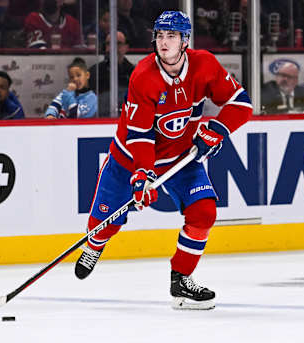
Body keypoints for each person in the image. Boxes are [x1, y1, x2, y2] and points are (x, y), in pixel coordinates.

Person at [74, 11, 252, 310]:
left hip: (181, 157)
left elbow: (241, 103)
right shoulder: (143, 76)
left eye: (171, 36)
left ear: (185, 41)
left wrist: (217, 130)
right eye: (159, 35)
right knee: (105, 223)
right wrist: (142, 175)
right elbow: (140, 136)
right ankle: (94, 246)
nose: (164, 42)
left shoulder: (204, 64)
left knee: (204, 212)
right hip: (129, 157)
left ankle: (181, 278)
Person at [88, 31, 135, 117]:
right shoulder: (95, 71)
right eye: (109, 44)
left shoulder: (135, 73)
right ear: (105, 47)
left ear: (126, 47)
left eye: (119, 43)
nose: (114, 48)